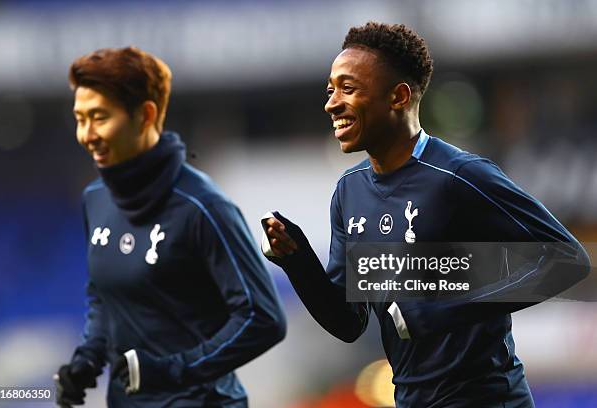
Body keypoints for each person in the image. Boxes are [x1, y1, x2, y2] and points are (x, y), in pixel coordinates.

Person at [261, 22, 590, 408]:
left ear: (398, 96)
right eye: (331, 89)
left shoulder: (459, 176)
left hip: (485, 399)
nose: (331, 103)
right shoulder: (349, 191)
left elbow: (568, 260)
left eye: (348, 89)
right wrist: (297, 262)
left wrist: (443, 309)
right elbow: (349, 323)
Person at [54, 47, 286, 407]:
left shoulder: (203, 206)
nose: (86, 134)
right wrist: (88, 358)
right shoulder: (95, 199)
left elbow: (263, 317)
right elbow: (105, 297)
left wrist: (171, 372)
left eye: (99, 117)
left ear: (145, 115)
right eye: (80, 119)